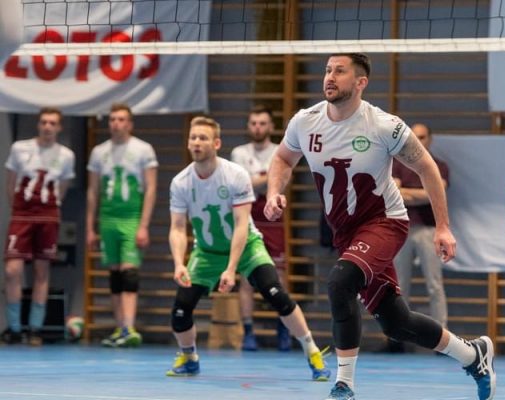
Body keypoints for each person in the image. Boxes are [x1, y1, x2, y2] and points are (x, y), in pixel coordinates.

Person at [264, 53, 496, 400]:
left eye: (340, 71)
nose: (330, 77)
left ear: (361, 83)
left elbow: (428, 169)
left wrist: (443, 227)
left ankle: (344, 386)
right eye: (327, 70)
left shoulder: (384, 126)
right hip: (345, 233)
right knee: (396, 323)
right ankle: (472, 354)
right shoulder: (305, 122)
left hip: (385, 222)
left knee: (340, 282)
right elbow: (282, 159)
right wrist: (273, 192)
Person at [166, 116, 330, 381]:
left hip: (247, 246)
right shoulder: (181, 182)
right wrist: (178, 264)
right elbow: (176, 228)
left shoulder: (234, 175)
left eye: (203, 138)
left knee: (276, 294)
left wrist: (231, 269)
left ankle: (312, 351)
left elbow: (242, 225)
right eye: (193, 137)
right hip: (207, 251)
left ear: (216, 143)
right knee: (180, 310)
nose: (196, 142)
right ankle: (189, 357)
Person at [86, 103, 157, 348]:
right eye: (113, 119)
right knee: (115, 274)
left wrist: (144, 225)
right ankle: (120, 328)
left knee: (129, 273)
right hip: (107, 219)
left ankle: (129, 327)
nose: (116, 123)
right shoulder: (99, 152)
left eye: (121, 119)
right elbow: (93, 191)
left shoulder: (143, 149)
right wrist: (90, 228)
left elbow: (151, 189)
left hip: (131, 218)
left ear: (130, 123)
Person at [3, 107, 75, 345]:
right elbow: (11, 182)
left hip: (48, 217)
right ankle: (14, 327)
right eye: (44, 122)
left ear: (59, 127)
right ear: (38, 124)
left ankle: (35, 328)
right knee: (12, 270)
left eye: (52, 123)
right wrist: (18, 209)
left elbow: (62, 189)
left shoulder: (65, 155)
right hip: (22, 215)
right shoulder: (20, 148)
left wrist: (50, 211)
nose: (47, 127)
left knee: (41, 271)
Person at [230, 106, 292, 352]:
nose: (258, 128)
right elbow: (242, 186)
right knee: (247, 278)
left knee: (279, 276)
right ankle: (248, 332)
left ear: (271, 126)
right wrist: (269, 178)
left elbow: (282, 183)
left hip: (273, 220)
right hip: (248, 218)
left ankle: (284, 328)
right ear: (248, 126)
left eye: (262, 123)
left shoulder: (280, 151)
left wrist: (261, 182)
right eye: (254, 123)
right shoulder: (239, 153)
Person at [388, 122, 450, 353]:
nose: (419, 141)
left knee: (434, 285)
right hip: (401, 230)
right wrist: (423, 194)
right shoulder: (397, 165)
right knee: (399, 286)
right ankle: (396, 339)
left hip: (428, 230)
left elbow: (435, 193)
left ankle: (443, 341)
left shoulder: (439, 166)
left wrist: (408, 193)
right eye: (415, 137)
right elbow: (394, 193)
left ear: (430, 140)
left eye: (422, 137)